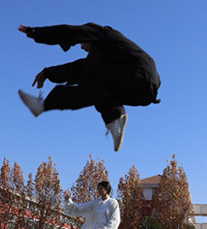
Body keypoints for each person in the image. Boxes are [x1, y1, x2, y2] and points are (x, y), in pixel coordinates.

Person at [17, 23, 161, 151]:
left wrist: (35, 32)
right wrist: (48, 73)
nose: (82, 48)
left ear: (87, 38)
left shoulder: (102, 34)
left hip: (137, 71)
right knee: (91, 88)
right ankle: (43, 105)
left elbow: (69, 32)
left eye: (82, 44)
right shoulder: (102, 59)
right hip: (144, 92)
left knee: (88, 77)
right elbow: (76, 68)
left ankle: (115, 116)